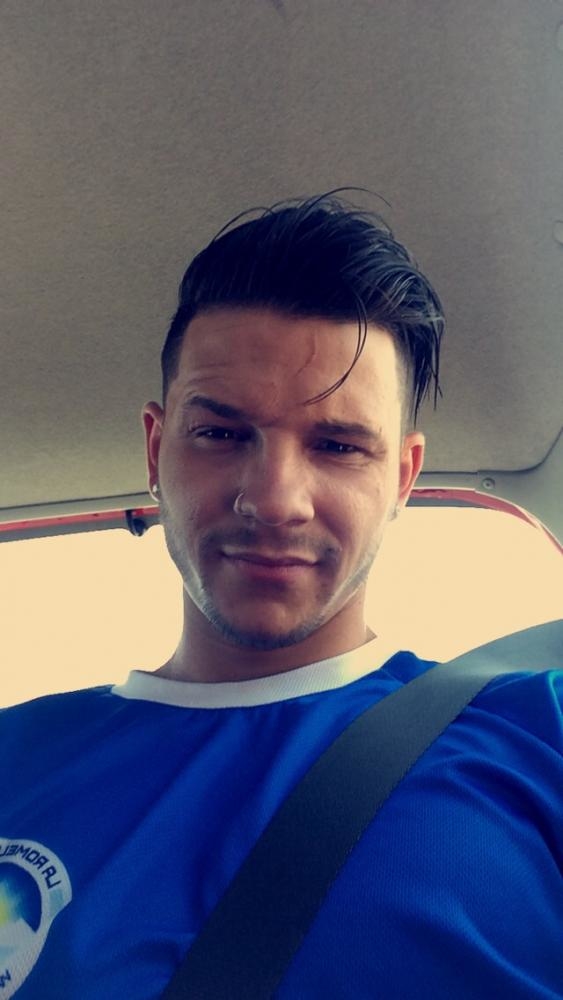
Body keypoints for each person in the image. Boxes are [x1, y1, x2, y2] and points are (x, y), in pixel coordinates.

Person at [1, 194, 561, 999]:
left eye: (337, 445)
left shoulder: (537, 732)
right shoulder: (15, 757)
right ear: (157, 450)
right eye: (221, 434)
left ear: (402, 478)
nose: (273, 500)